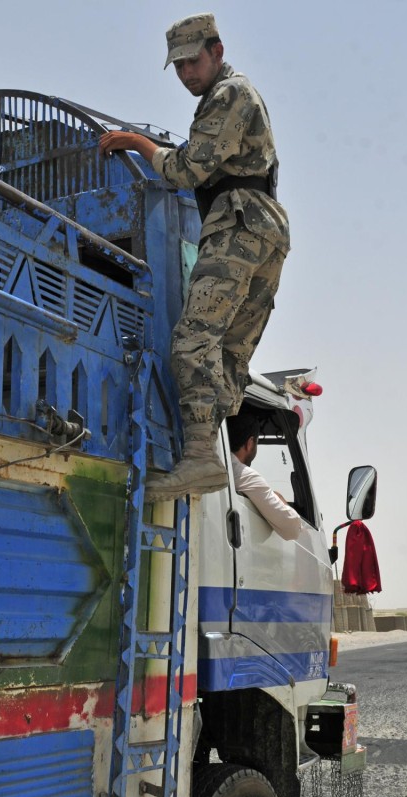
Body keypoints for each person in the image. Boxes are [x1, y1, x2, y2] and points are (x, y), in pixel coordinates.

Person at [99, 13, 290, 501]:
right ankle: (207, 455)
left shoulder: (229, 94)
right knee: (227, 355)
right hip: (263, 229)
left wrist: (139, 144)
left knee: (191, 341)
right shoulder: (232, 97)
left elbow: (186, 170)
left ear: (217, 51)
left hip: (239, 223)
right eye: (178, 66)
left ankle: (201, 459)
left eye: (192, 61)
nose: (186, 73)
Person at [227, 411, 302, 541]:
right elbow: (293, 529)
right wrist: (280, 500)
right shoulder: (244, 475)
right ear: (250, 443)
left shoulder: (220, 464)